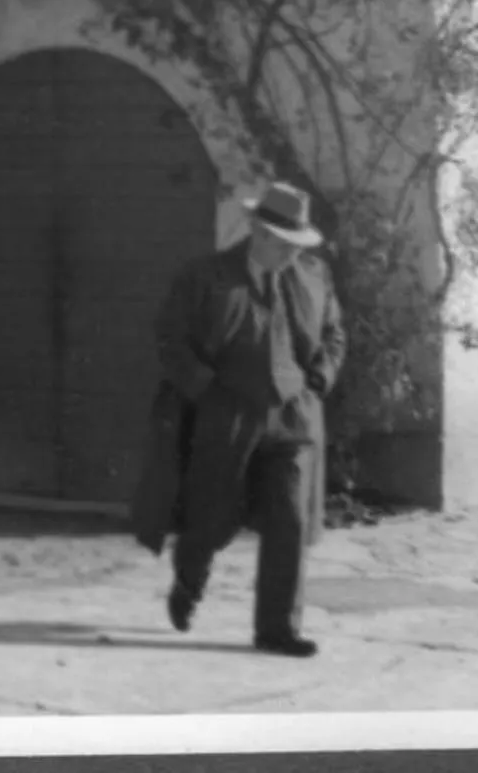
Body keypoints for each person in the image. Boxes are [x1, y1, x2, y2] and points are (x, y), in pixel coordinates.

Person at [143, 181, 347, 658]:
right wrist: (206, 390)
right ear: (256, 230)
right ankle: (189, 580)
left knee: (288, 522)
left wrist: (320, 377)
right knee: (212, 520)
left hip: (293, 417)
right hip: (228, 414)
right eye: (281, 244)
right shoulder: (206, 276)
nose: (289, 255)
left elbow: (334, 334)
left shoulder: (314, 275)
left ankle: (277, 629)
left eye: (297, 246)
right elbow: (170, 338)